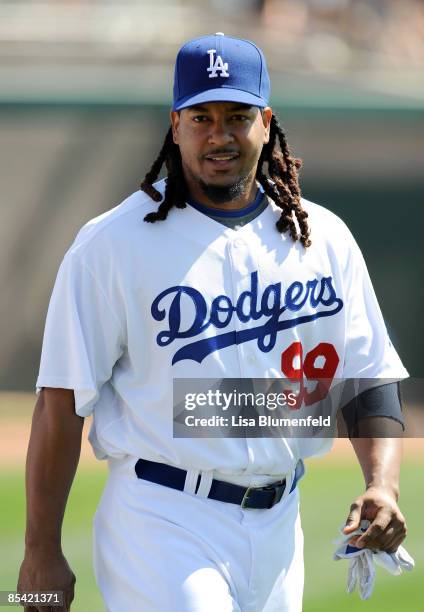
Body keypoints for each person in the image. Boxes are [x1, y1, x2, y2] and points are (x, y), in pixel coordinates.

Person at [18, 33, 408, 612]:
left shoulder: (323, 238)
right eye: (201, 116)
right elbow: (60, 401)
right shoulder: (111, 244)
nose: (219, 134)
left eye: (237, 115)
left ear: (267, 121)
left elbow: (369, 377)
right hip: (162, 518)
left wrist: (382, 482)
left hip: (281, 525)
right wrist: (39, 553)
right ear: (175, 124)